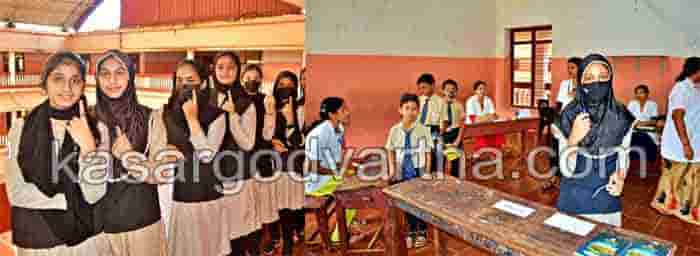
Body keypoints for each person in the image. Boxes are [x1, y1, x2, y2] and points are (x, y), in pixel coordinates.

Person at [6, 52, 111, 255]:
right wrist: (69, 200)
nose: (67, 88)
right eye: (58, 79)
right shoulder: (21, 128)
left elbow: (94, 194)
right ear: (45, 83)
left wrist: (89, 148)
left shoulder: (98, 129)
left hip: (85, 242)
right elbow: (16, 193)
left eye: (75, 80)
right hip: (37, 240)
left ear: (83, 85)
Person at [150, 59, 230, 256]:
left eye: (190, 80)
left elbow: (206, 155)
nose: (183, 85)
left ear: (202, 83)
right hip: (179, 197)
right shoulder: (163, 113)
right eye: (179, 80)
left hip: (208, 196)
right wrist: (164, 151)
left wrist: (192, 119)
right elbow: (155, 151)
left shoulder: (216, 116)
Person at [93, 50, 163, 255]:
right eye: (104, 73)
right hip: (101, 226)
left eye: (120, 72)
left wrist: (129, 156)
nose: (112, 80)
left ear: (130, 76)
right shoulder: (86, 118)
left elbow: (160, 173)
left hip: (142, 222)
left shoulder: (151, 117)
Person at [552, 54, 635, 227]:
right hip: (573, 200)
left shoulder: (621, 116)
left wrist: (621, 177)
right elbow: (566, 170)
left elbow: (623, 155)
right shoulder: (569, 115)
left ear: (610, 80)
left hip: (606, 202)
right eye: (589, 78)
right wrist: (574, 138)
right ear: (581, 82)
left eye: (603, 77)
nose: (596, 83)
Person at [652, 57, 700, 225]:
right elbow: (677, 116)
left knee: (691, 176)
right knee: (676, 177)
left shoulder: (696, 89)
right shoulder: (681, 89)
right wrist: (686, 144)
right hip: (679, 144)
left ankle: (684, 208)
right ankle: (669, 206)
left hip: (694, 141)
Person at [236, 64, 278, 256]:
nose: (251, 80)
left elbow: (268, 135)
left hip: (260, 159)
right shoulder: (235, 100)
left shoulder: (265, 101)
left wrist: (270, 112)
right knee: (243, 209)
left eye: (256, 77)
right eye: (248, 76)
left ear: (260, 81)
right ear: (242, 78)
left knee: (261, 206)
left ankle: (260, 245)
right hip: (239, 162)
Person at [304, 97, 357, 244]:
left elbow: (338, 159)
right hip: (316, 183)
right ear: (332, 115)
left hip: (331, 177)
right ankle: (339, 237)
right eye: (343, 110)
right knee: (353, 191)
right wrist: (339, 172)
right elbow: (312, 168)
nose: (348, 113)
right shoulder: (319, 134)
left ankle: (345, 226)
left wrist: (352, 166)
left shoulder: (339, 129)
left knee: (358, 177)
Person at [385, 93, 434, 248]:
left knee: (420, 202)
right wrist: (392, 168)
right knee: (406, 203)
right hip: (401, 170)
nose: (410, 112)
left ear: (418, 111)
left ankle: (422, 233)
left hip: (418, 169)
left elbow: (428, 152)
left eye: (414, 109)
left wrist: (426, 171)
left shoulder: (423, 130)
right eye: (407, 108)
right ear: (400, 110)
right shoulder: (394, 130)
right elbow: (390, 150)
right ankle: (411, 232)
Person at [270, 71, 306, 255]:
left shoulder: (300, 109)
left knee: (289, 207)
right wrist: (271, 142)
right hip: (272, 165)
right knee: (276, 207)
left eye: (290, 85)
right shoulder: (270, 108)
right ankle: (280, 240)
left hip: (292, 166)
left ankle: (289, 246)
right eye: (281, 85)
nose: (285, 89)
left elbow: (298, 141)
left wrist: (290, 118)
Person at [465, 80, 504, 153]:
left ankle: (495, 154)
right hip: (473, 127)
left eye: (484, 89)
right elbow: (474, 119)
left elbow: (494, 116)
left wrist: (483, 118)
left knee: (498, 132)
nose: (483, 91)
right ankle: (481, 154)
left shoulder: (488, 100)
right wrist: (487, 117)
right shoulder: (470, 101)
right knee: (484, 133)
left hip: (487, 125)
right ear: (475, 90)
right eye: (480, 89)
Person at [416, 73, 444, 175]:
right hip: (419, 129)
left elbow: (442, 123)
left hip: (434, 130)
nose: (422, 90)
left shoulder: (441, 102)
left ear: (432, 85)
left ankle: (430, 173)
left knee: (434, 149)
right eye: (420, 88)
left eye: (424, 87)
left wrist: (438, 135)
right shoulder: (419, 100)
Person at [627, 84, 659, 162]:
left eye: (641, 93)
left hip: (648, 130)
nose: (639, 95)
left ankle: (648, 158)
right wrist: (635, 124)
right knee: (632, 137)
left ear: (647, 93)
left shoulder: (652, 104)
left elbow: (654, 121)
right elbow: (628, 118)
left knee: (645, 137)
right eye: (637, 93)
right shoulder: (632, 104)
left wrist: (641, 123)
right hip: (634, 129)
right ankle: (635, 158)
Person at [440, 79, 465, 177]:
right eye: (447, 89)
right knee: (440, 162)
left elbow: (462, 124)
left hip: (454, 135)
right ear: (443, 91)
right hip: (442, 135)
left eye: (453, 89)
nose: (450, 92)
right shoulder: (439, 104)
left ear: (456, 91)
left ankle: (455, 185)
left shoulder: (459, 105)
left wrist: (458, 140)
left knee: (454, 163)